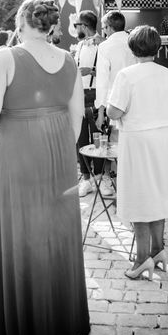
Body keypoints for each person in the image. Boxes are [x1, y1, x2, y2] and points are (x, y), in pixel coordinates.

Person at [0, 0, 89, 335]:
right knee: (56, 231)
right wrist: (58, 146)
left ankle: (27, 322)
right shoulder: (69, 59)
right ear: (52, 25)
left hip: (19, 150)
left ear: (22, 22)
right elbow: (78, 114)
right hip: (58, 148)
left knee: (22, 231)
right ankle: (62, 318)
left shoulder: (7, 57)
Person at [105, 25, 168, 280]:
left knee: (139, 197)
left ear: (132, 47)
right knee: (158, 193)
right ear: (157, 47)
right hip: (165, 139)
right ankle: (158, 251)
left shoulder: (127, 75)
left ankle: (141, 258)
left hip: (138, 140)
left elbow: (113, 112)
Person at [72, 10, 105, 197]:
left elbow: (109, 73)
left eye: (77, 25)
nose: (76, 28)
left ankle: (99, 177)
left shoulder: (102, 45)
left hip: (95, 95)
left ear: (84, 26)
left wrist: (91, 71)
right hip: (78, 95)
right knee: (81, 139)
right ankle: (86, 179)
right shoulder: (79, 46)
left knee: (98, 138)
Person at [94, 10, 136, 143]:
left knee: (116, 150)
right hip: (136, 100)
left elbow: (102, 82)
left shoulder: (105, 47)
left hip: (115, 104)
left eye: (103, 28)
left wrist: (100, 114)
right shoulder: (134, 42)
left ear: (108, 27)